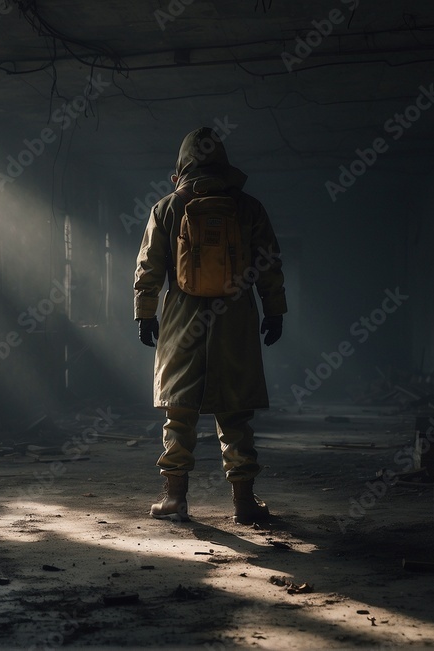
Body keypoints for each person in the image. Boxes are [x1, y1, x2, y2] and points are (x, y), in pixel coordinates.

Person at [133, 126, 287, 525]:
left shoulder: (167, 207)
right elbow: (269, 263)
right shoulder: (249, 208)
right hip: (235, 316)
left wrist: (145, 313)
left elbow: (148, 267)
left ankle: (175, 500)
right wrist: (274, 310)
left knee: (178, 411)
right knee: (235, 412)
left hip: (183, 318)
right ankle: (244, 503)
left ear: (181, 166)